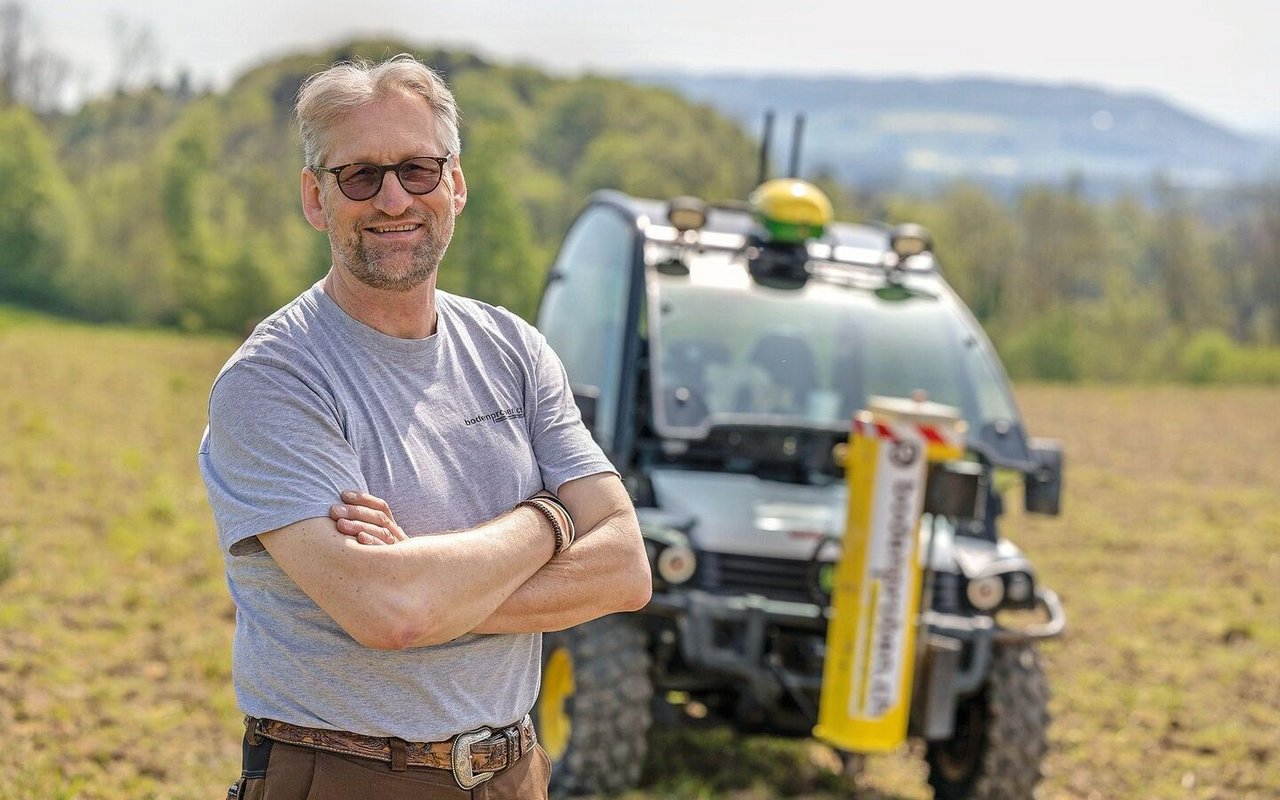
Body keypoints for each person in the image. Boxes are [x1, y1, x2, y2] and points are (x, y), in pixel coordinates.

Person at [198, 54, 652, 800]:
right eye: (359, 176)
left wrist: (433, 586)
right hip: (347, 775)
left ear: (456, 185)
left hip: (514, 772)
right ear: (316, 198)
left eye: (417, 169)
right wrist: (550, 516)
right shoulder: (272, 379)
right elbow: (391, 612)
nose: (392, 198)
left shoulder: (515, 350)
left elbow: (627, 569)